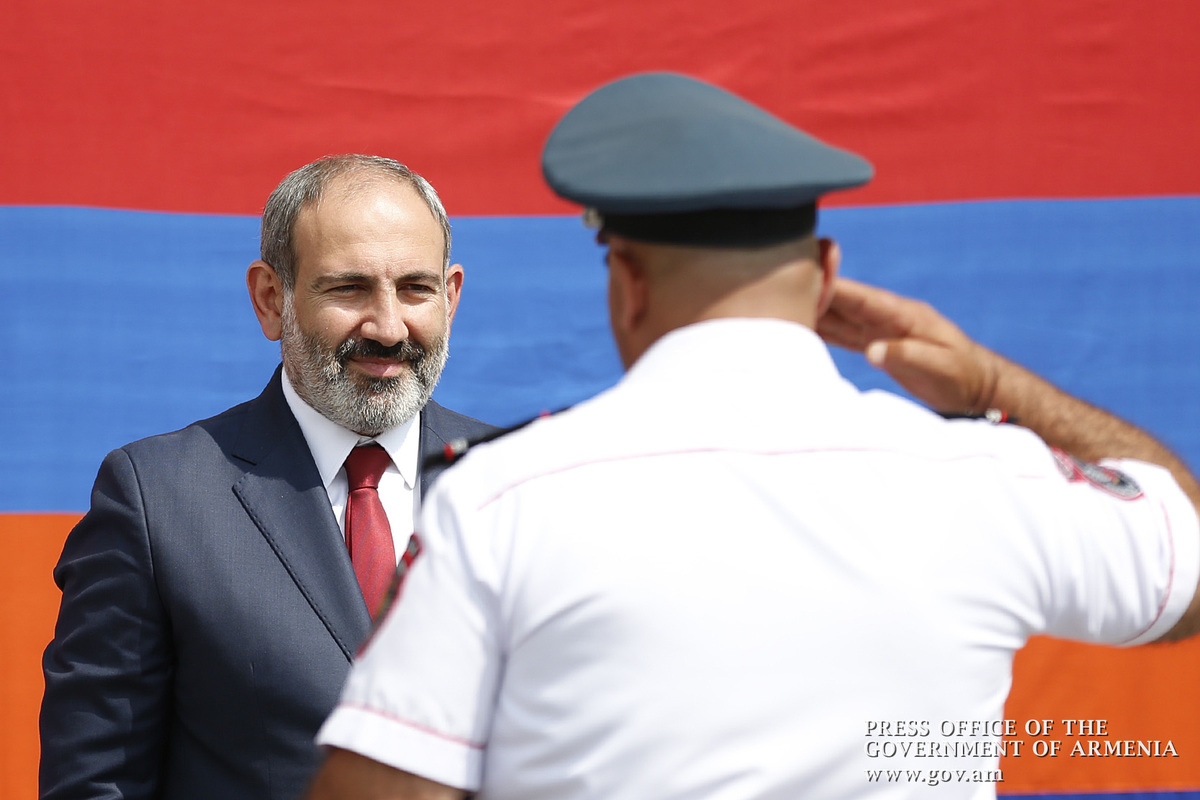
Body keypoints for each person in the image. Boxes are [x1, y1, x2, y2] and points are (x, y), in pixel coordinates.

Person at [307, 74, 1200, 800]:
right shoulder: (987, 478)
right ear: (826, 275)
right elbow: (1186, 565)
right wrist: (991, 386)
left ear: (627, 281)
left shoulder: (503, 500)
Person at [39, 154, 497, 800]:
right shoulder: (156, 501)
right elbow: (95, 785)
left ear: (450, 297)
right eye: (349, 289)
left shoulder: (524, 484)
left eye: (415, 289)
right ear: (270, 299)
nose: (388, 326)